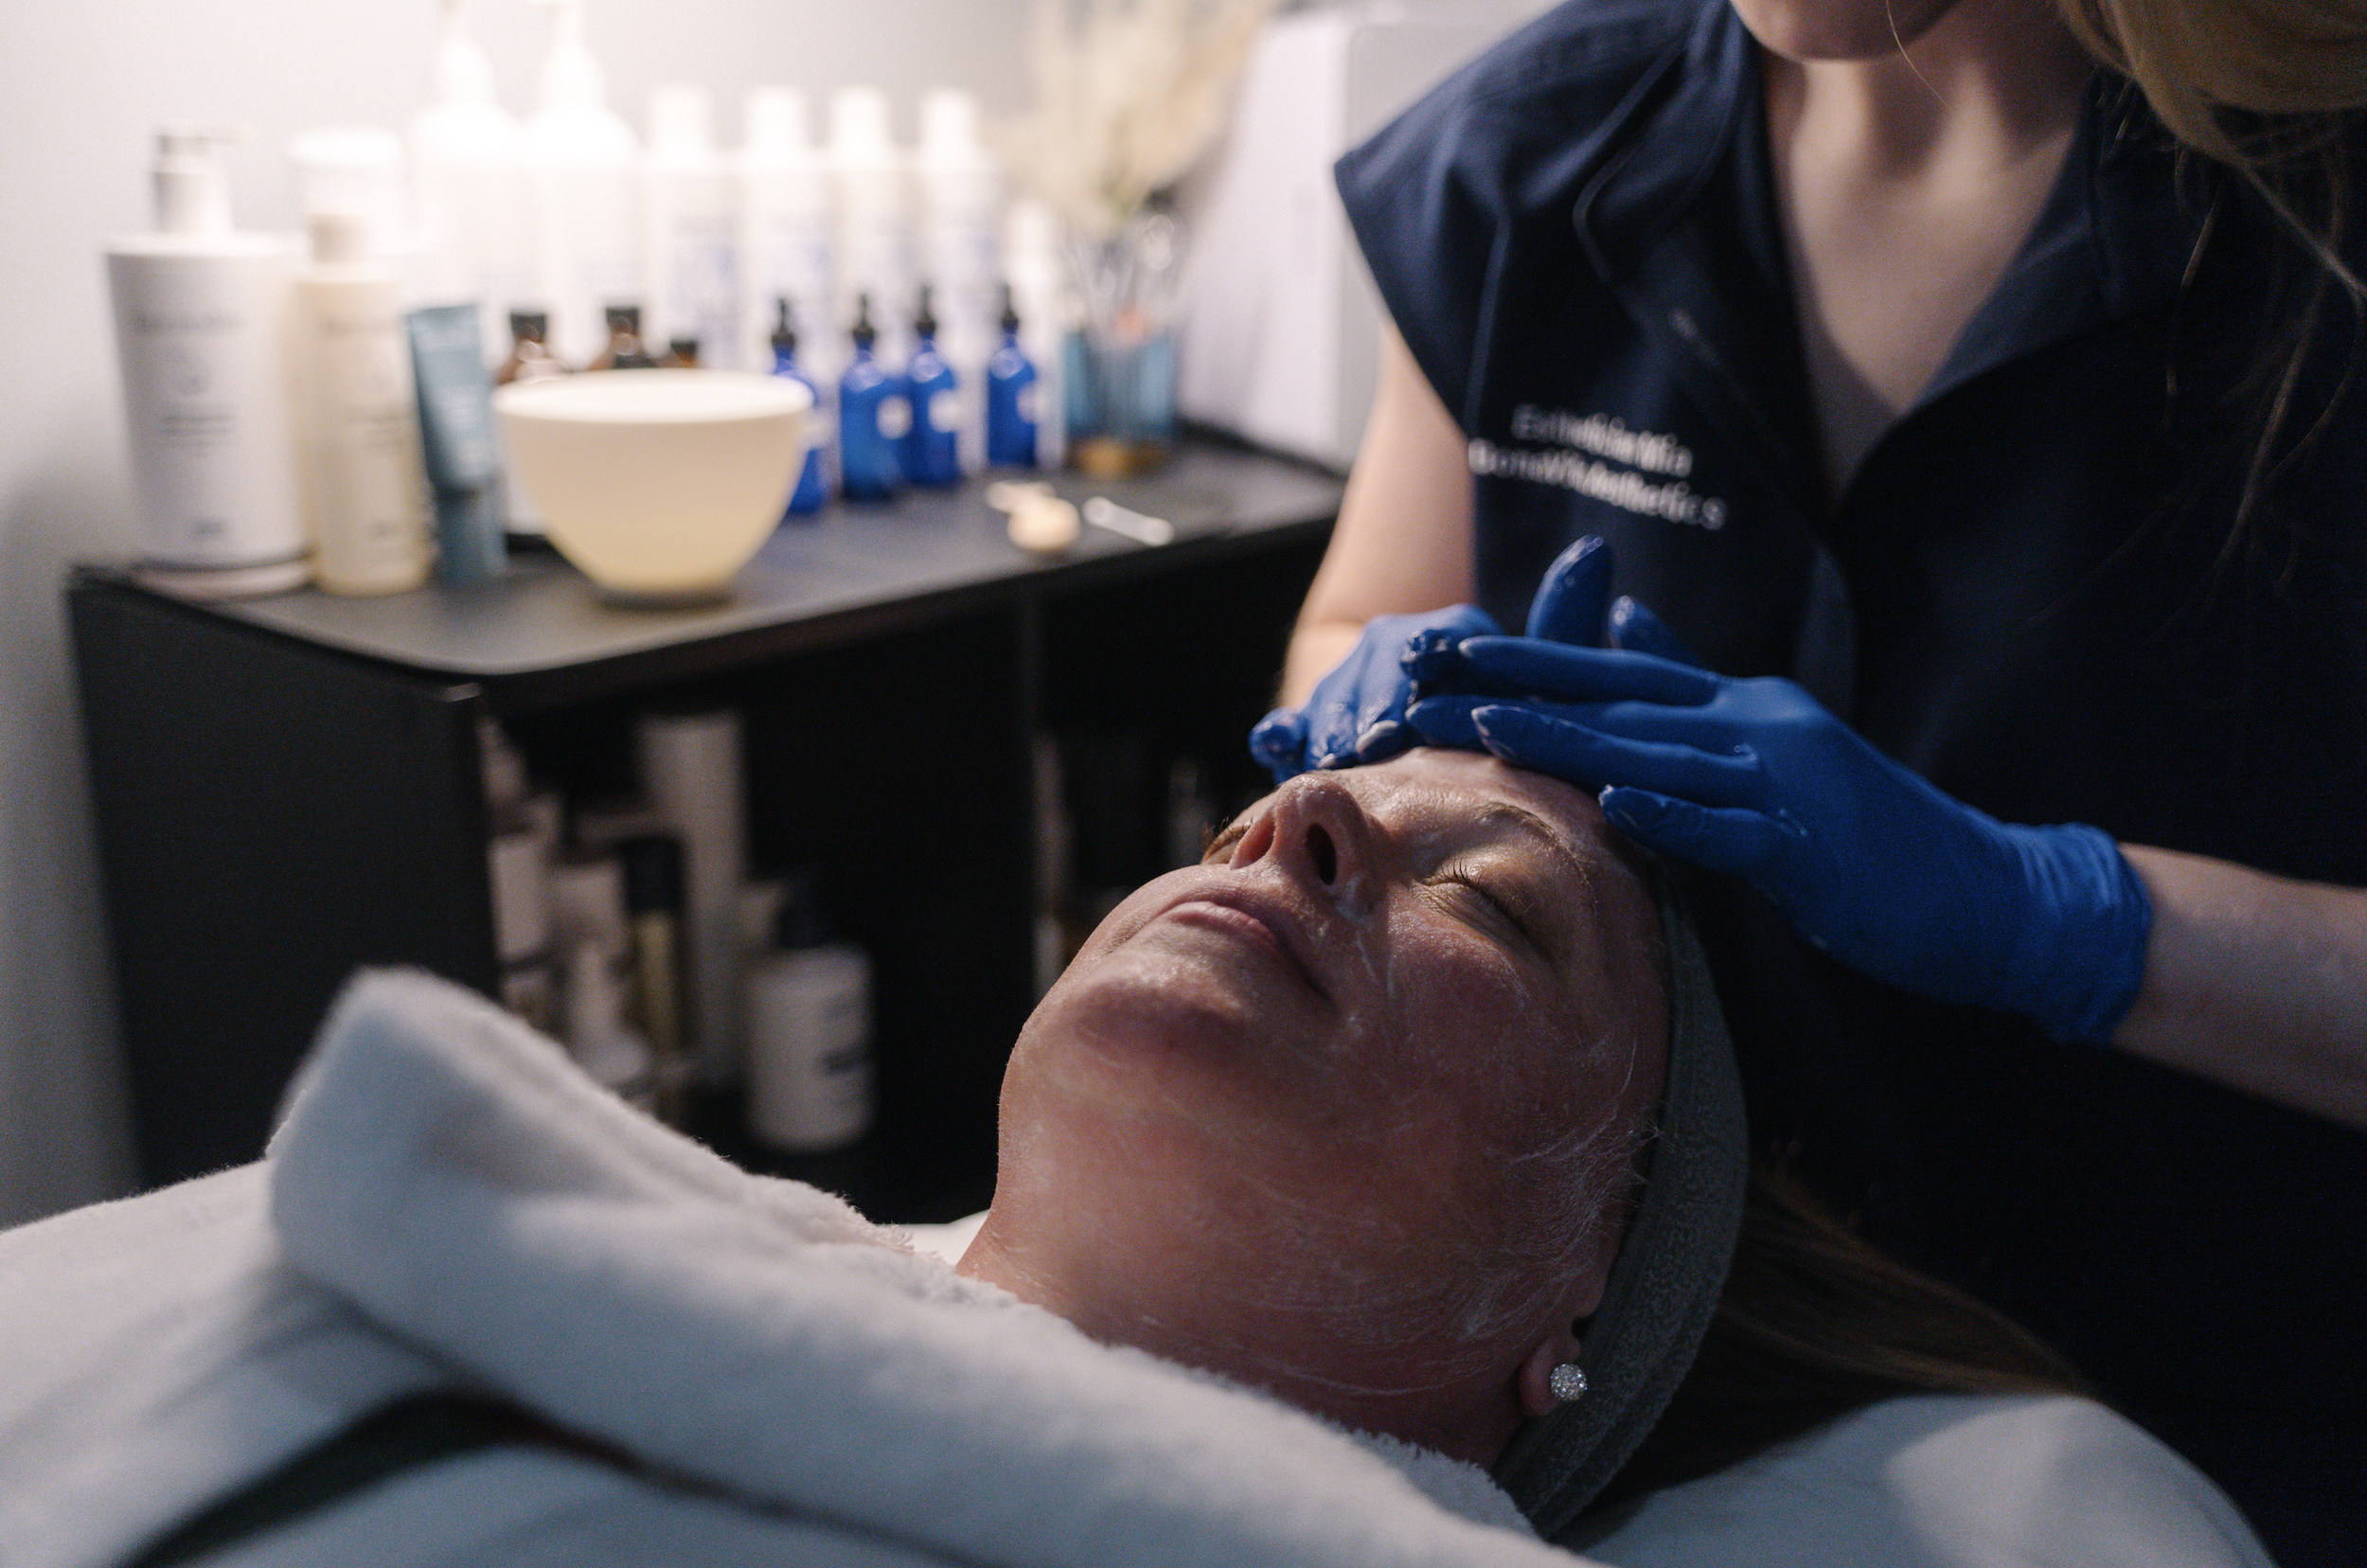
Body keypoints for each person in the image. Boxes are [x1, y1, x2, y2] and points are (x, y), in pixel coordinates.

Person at [1, 749, 2271, 1565]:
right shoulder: (628, 1229)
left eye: (1481, 905)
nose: (1292, 823)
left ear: (1578, 1300)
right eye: (1271, 816)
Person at [1248, 0, 2367, 1559]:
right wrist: (1368, 699)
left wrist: (2068, 918)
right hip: (1659, 1402)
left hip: (2249, 1415)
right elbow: (1355, 613)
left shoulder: (2320, 210)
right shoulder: (1532, 157)